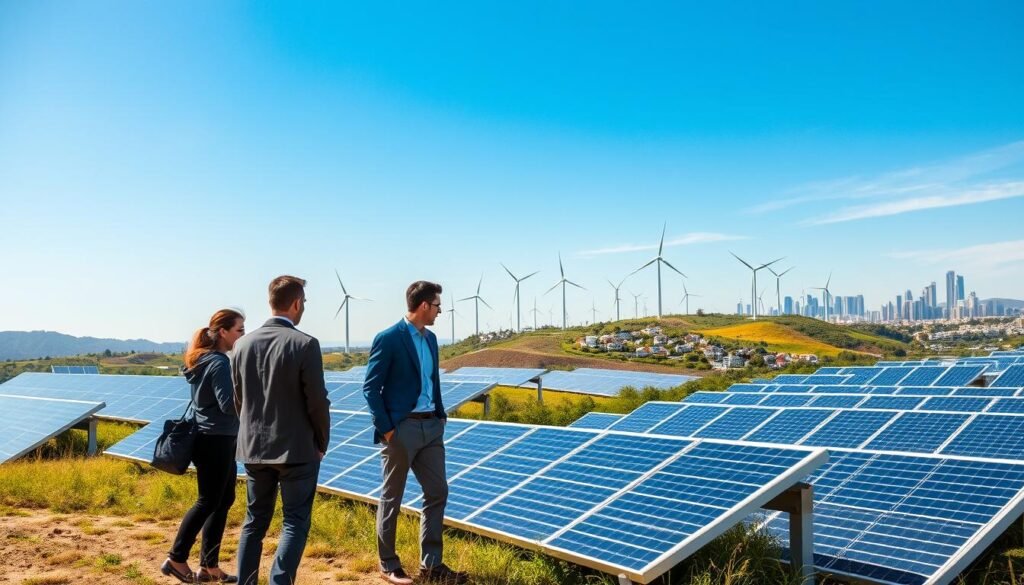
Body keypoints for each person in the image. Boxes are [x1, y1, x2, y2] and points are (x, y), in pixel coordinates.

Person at [363, 281, 468, 585]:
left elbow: (432, 381)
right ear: (424, 305)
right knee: (392, 496)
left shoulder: (431, 339)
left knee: (437, 492)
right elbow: (371, 387)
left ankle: (432, 564)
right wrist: (388, 429)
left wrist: (441, 415)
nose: (439, 311)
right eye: (437, 305)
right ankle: (388, 564)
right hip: (402, 429)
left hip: (431, 428)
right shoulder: (389, 338)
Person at [231, 275, 331, 585]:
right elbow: (317, 400)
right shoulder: (305, 344)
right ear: (297, 303)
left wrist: (251, 433)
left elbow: (239, 398)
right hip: (297, 449)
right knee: (294, 522)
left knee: (254, 522)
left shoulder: (241, 344)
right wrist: (321, 440)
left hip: (254, 448)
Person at [160, 308, 246, 584]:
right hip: (215, 440)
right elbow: (227, 404)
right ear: (223, 332)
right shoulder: (219, 362)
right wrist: (254, 403)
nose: (242, 335)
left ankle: (209, 567)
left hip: (213, 439)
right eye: (239, 330)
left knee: (223, 500)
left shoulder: (203, 361)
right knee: (208, 500)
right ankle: (176, 558)